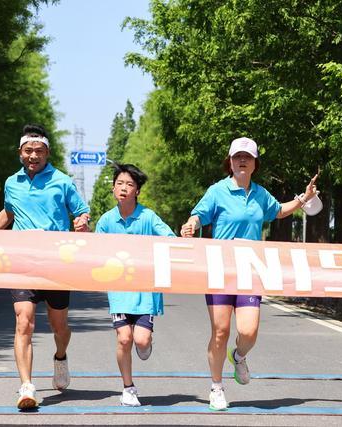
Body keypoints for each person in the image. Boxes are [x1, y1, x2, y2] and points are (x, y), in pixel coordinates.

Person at [180, 137, 318, 411]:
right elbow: (199, 215)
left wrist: (304, 199)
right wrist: (191, 224)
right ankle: (216, 387)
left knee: (249, 331)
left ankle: (239, 356)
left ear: (255, 164)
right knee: (220, 331)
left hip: (251, 272)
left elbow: (278, 211)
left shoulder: (260, 194)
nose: (242, 160)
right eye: (237, 157)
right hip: (219, 270)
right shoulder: (217, 191)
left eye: (247, 157)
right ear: (230, 162)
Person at [0, 124, 91, 409]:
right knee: (24, 321)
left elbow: (81, 213)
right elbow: (9, 212)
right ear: (20, 153)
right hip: (22, 262)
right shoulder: (12, 182)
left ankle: (60, 356)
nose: (33, 156)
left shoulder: (62, 181)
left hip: (57, 263)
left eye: (39, 151)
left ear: (47, 153)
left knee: (60, 327)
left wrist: (82, 222)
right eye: (28, 151)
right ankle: (26, 386)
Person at [95, 163, 175, 407]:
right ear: (113, 189)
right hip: (119, 290)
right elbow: (94, 251)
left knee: (140, 340)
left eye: (130, 184)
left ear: (137, 191)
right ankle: (128, 388)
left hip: (145, 291)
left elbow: (169, 238)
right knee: (124, 339)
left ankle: (147, 343)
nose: (124, 188)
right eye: (120, 183)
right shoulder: (107, 221)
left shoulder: (148, 217)